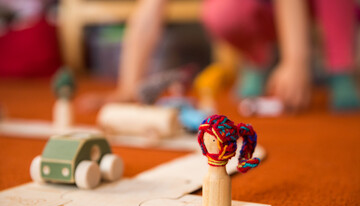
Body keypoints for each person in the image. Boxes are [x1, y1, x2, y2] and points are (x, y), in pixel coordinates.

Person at [79, 0, 359, 112]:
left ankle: (340, 67)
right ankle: (257, 59)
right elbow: (148, 12)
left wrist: (296, 60)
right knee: (221, 12)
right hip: (264, 10)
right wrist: (128, 87)